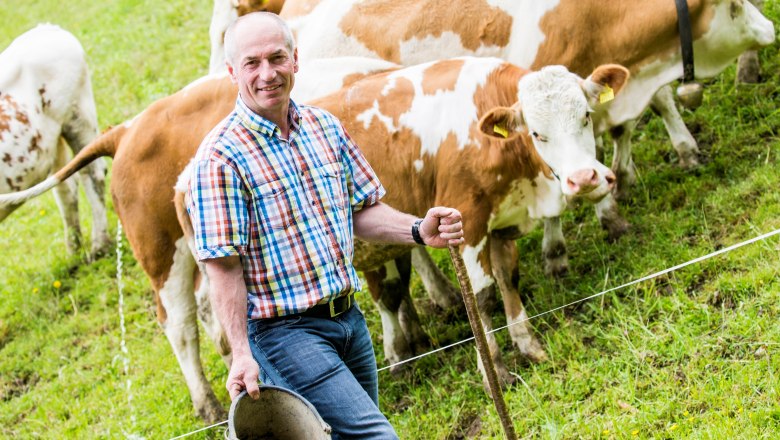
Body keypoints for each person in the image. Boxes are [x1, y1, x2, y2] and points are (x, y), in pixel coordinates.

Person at [186, 12, 465, 439]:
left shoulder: (324, 127)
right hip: (284, 333)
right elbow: (223, 267)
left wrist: (417, 230)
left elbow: (360, 210)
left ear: (295, 59)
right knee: (376, 435)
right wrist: (240, 353)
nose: (267, 74)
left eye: (277, 58)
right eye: (252, 63)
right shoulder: (219, 159)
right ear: (231, 72)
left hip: (349, 318)